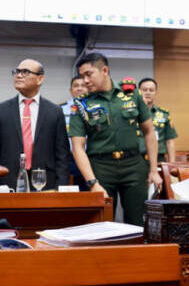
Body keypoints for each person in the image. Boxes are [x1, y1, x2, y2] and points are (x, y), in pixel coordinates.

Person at [69, 53, 162, 226]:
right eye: (82, 76)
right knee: (103, 224)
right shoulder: (81, 104)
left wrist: (154, 170)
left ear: (104, 70)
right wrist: (92, 183)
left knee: (138, 224)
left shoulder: (132, 95)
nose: (85, 81)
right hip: (101, 168)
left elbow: (149, 131)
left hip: (134, 166)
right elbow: (78, 147)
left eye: (89, 74)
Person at [0, 59, 69, 191]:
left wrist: (61, 188)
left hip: (46, 184)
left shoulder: (55, 112)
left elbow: (62, 155)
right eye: (17, 72)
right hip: (7, 184)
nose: (18, 75)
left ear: (40, 79)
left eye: (25, 72)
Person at [137, 78, 178, 162]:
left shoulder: (164, 115)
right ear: (138, 92)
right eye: (144, 90)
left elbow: (170, 141)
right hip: (136, 160)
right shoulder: (132, 114)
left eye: (151, 90)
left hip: (158, 159)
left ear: (156, 93)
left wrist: (172, 164)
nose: (148, 92)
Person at [61, 75, 89, 188]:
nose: (79, 88)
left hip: (91, 157)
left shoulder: (95, 107)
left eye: (83, 85)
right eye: (76, 86)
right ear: (71, 90)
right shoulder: (60, 109)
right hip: (70, 159)